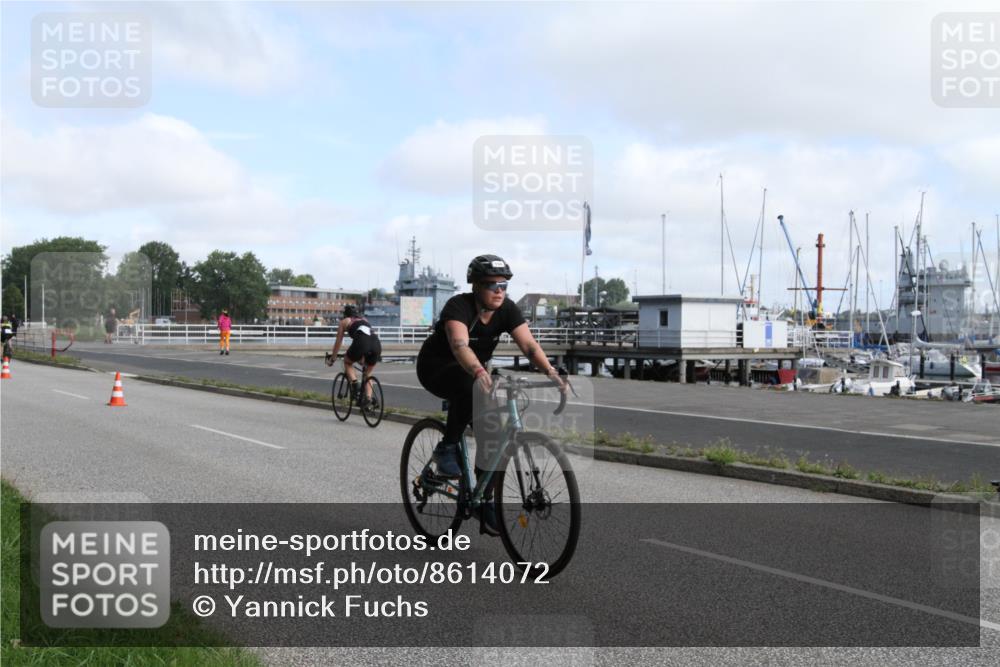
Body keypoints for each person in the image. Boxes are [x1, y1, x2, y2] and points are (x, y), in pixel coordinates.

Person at [416, 254, 566, 533]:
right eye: (491, 285)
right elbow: (460, 344)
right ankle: (446, 447)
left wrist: (552, 373)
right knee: (468, 385)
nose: (499, 291)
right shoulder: (457, 306)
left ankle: (484, 500)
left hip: (473, 371)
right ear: (475, 285)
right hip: (436, 368)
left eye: (504, 285)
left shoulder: (507, 310)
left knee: (494, 436)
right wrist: (479, 372)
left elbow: (529, 346)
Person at [326, 305, 382, 406]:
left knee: (347, 361)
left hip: (362, 343)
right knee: (367, 374)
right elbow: (367, 336)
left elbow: (338, 342)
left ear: (345, 314)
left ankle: (355, 385)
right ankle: (368, 400)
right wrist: (362, 357)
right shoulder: (365, 319)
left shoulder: (344, 321)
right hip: (376, 344)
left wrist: (332, 359)